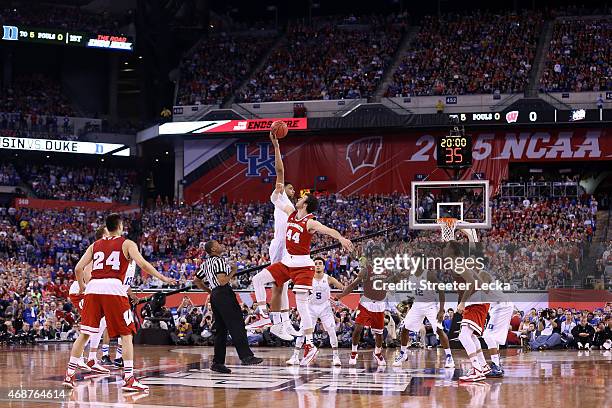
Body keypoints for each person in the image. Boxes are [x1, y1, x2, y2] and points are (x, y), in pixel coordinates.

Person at [251, 135, 353, 366]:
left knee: (301, 304)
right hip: (287, 263)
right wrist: (276, 146)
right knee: (258, 279)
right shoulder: (289, 211)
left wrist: (342, 238)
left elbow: (328, 230)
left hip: (302, 266)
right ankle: (262, 315)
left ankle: (309, 343)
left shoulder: (310, 221)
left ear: (305, 204)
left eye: (302, 197)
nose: (298, 196)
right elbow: (280, 171)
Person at [62, 213, 176, 392]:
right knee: (126, 334)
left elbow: (78, 268)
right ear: (120, 226)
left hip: (93, 288)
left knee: (84, 334)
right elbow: (143, 264)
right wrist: (163, 277)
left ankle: (69, 375)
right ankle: (129, 378)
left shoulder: (95, 245)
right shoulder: (127, 243)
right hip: (114, 288)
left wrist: (84, 287)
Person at [247, 129, 301, 341]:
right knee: (278, 284)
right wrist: (276, 146)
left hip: (288, 245)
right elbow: (280, 171)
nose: (293, 190)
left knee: (284, 285)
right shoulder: (278, 198)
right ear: (282, 189)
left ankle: (284, 323)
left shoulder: (293, 207)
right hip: (279, 244)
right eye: (290, 187)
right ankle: (275, 321)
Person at [193, 240, 263, 374]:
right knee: (237, 324)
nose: (221, 245)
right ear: (213, 249)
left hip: (215, 295)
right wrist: (233, 271)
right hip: (224, 293)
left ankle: (217, 363)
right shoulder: (219, 261)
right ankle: (246, 356)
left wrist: (210, 291)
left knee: (221, 330)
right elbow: (222, 281)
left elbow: (196, 280)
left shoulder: (205, 264)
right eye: (218, 245)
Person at [286, 257, 345, 366]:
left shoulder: (329, 279)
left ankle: (336, 357)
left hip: (325, 307)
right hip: (310, 307)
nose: (317, 265)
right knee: (303, 331)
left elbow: (343, 288)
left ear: (323, 266)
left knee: (331, 331)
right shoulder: (308, 278)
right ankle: (295, 356)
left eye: (320, 263)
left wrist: (338, 297)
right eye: (316, 263)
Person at [393, 264, 455, 368]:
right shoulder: (409, 273)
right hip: (417, 305)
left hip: (430, 305)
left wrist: (441, 310)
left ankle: (449, 356)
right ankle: (403, 354)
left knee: (439, 330)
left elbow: (441, 290)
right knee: (405, 328)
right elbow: (396, 279)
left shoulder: (429, 275)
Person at [67, 225, 110, 374]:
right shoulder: (97, 248)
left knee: (101, 323)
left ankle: (92, 359)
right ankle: (78, 358)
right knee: (90, 325)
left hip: (92, 291)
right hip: (82, 291)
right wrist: (84, 288)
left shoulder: (107, 251)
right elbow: (85, 271)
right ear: (102, 236)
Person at [336, 244, 388, 367]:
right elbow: (353, 285)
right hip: (366, 303)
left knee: (379, 334)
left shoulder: (387, 270)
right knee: (358, 328)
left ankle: (378, 353)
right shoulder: (365, 270)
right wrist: (341, 295)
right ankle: (354, 352)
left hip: (379, 305)